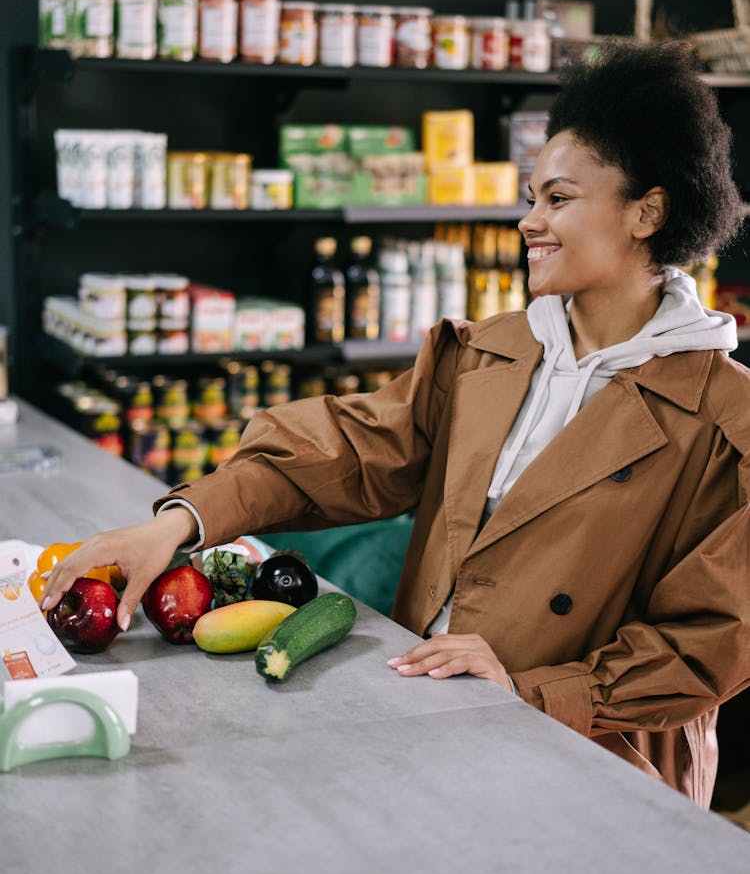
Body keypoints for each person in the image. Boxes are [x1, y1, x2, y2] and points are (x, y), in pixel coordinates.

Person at [44, 40, 750, 806]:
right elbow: (345, 449)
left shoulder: (723, 416)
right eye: (528, 197)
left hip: (592, 762)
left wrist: (536, 688)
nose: (527, 222)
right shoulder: (489, 352)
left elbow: (713, 637)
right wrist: (181, 521)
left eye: (557, 199)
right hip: (423, 716)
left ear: (647, 210)